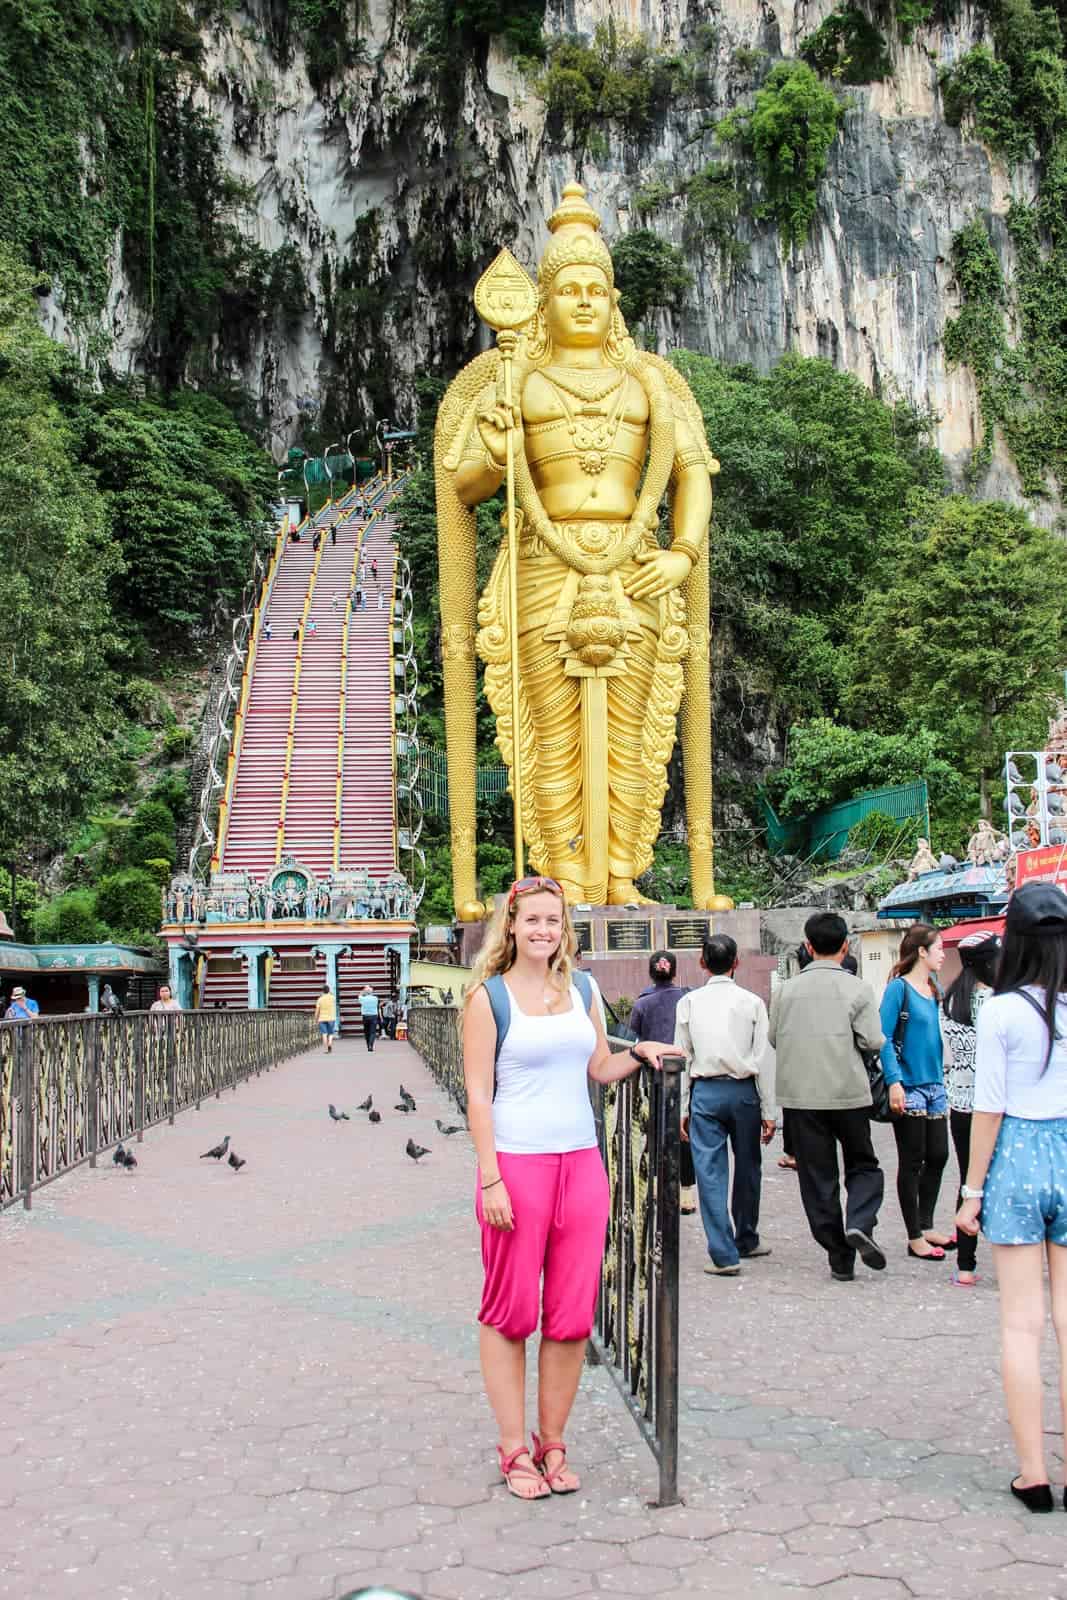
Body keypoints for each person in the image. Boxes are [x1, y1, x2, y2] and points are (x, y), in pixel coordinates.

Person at [463, 875, 673, 1500]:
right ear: (511, 926)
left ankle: (552, 1440)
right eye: (532, 920)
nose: (543, 930)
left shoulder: (581, 988)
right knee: (511, 1310)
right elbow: (478, 1095)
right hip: (517, 1166)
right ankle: (512, 1446)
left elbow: (599, 1067)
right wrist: (491, 1176)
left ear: (564, 928)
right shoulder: (488, 998)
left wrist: (641, 1055)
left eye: (553, 921)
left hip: (581, 1162)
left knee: (572, 1312)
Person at [956, 882, 1067, 1512]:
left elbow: (988, 1110)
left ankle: (1034, 1474)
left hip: (1019, 1157)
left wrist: (971, 1193)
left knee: (1021, 1324)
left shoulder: (999, 1009)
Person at [770, 912, 887, 1281]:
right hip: (848, 1093)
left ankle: (839, 1255)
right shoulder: (857, 989)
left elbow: (775, 1038)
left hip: (801, 1097)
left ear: (807, 946)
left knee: (817, 1178)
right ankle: (860, 1221)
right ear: (845, 946)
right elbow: (872, 1041)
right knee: (863, 1163)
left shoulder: (785, 992)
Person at [675, 934, 776, 1276]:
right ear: (737, 963)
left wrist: (683, 1108)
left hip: (705, 1091)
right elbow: (763, 1059)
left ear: (702, 963)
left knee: (710, 1173)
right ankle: (747, 1237)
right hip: (744, 1091)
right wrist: (768, 1110)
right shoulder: (752, 1002)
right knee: (748, 1166)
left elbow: (682, 1057)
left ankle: (723, 1253)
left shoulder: (688, 1003)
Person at [880, 923, 951, 1259]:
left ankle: (927, 1223)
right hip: (908, 1085)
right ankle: (914, 1236)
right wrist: (894, 1081)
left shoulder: (933, 986)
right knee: (912, 1159)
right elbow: (883, 1038)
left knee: (938, 1155)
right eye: (938, 948)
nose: (943, 954)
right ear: (922, 951)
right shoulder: (899, 989)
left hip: (936, 1084)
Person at [942, 932, 1001, 1286]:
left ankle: (966, 1265)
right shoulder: (1000, 1001)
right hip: (996, 1105)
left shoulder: (948, 1002)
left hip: (961, 1104)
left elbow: (946, 1058)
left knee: (968, 1179)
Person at [630, 951, 698, 1213]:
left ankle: (658, 1187)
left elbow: (635, 1038)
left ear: (651, 972)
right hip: (683, 1074)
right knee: (683, 1132)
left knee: (656, 1130)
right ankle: (686, 1192)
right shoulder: (687, 999)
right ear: (675, 971)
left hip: (655, 1075)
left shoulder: (642, 1004)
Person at [313, 985, 338, 1052]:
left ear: (322, 991)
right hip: (331, 1018)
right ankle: (330, 1043)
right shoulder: (332, 998)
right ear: (328, 990)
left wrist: (315, 1018)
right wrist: (330, 993)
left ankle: (326, 1047)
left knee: (324, 1033)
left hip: (322, 1018)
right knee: (331, 1033)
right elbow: (333, 996)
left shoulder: (320, 999)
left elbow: (317, 1010)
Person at [359, 984, 380, 1051]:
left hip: (365, 1016)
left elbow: (359, 995)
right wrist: (368, 990)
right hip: (373, 1016)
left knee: (366, 1032)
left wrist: (364, 990)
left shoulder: (362, 998)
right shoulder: (375, 998)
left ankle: (368, 1045)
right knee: (372, 1032)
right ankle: (371, 1045)